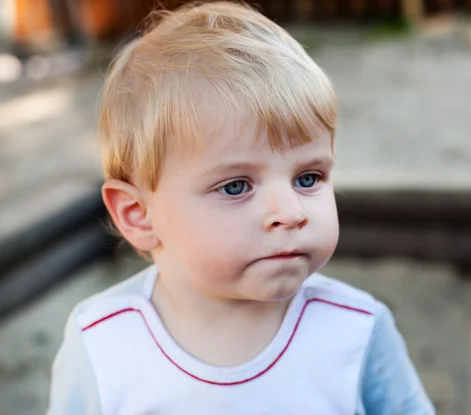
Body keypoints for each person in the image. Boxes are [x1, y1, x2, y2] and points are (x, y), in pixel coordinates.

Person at [47, 2, 435, 414]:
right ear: (139, 214)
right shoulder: (103, 344)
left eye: (308, 178)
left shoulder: (356, 329)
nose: (291, 212)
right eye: (235, 186)